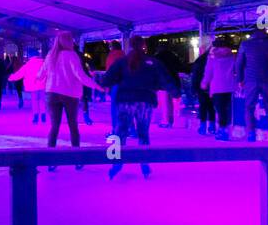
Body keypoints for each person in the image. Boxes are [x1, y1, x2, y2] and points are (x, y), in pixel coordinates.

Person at [97, 36, 171, 180]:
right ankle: (144, 164)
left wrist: (119, 81)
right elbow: (165, 80)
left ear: (130, 45)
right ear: (143, 45)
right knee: (143, 133)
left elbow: (106, 79)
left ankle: (116, 163)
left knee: (120, 133)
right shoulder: (153, 62)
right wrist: (171, 91)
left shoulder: (121, 62)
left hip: (125, 101)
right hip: (145, 102)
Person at [35, 33, 102, 170]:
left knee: (54, 127)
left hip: (52, 93)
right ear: (69, 42)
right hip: (70, 94)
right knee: (73, 126)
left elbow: (41, 74)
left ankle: (51, 161)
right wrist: (95, 86)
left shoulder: (50, 56)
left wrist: (35, 79)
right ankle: (77, 159)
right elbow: (80, 75)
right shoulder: (71, 55)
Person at [201, 37, 236, 141]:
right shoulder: (231, 56)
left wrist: (204, 83)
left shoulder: (212, 57)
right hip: (229, 86)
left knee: (220, 110)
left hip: (217, 86)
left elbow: (208, 71)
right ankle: (227, 130)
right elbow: (236, 69)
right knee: (226, 109)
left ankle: (223, 131)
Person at [9, 49, 47, 124]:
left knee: (35, 101)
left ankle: (35, 116)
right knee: (42, 100)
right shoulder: (43, 63)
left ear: (30, 56)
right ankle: (43, 115)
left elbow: (20, 74)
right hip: (43, 85)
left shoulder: (27, 65)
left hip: (32, 86)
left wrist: (11, 77)